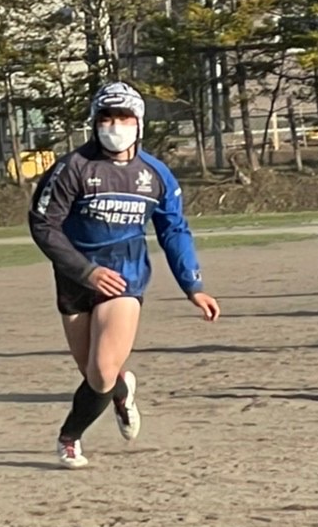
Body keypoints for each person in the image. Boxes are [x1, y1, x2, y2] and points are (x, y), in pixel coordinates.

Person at [29, 82, 221, 470]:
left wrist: (192, 285)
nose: (115, 126)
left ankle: (69, 437)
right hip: (75, 279)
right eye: (106, 118)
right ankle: (121, 391)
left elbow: (174, 229)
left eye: (124, 118)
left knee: (100, 370)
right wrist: (86, 271)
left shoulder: (156, 174)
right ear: (94, 122)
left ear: (139, 123)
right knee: (94, 373)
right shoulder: (72, 168)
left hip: (125, 277)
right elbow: (43, 224)